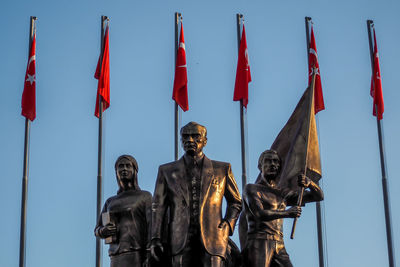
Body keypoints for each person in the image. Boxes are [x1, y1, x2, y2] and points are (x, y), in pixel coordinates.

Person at [150, 122, 242, 267]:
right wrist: (155, 238)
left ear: (205, 141)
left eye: (195, 136)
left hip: (213, 237)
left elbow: (235, 201)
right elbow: (158, 206)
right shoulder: (166, 171)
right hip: (180, 238)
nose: (190, 140)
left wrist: (228, 224)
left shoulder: (222, 169)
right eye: (185, 137)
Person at [242, 149, 323, 267]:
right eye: (268, 161)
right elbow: (259, 214)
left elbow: (318, 196)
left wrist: (310, 183)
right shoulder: (252, 189)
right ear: (260, 166)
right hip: (259, 242)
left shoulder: (282, 193)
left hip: (279, 244)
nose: (273, 165)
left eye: (276, 162)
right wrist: (287, 213)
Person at [95, 155, 152, 267]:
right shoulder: (110, 202)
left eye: (128, 166)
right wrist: (103, 231)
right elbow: (97, 229)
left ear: (135, 171)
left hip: (137, 253)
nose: (124, 169)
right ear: (116, 171)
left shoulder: (145, 197)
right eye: (120, 166)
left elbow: (152, 227)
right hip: (116, 255)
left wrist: (150, 254)